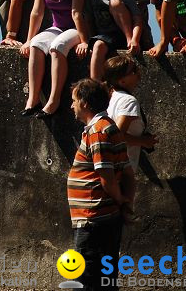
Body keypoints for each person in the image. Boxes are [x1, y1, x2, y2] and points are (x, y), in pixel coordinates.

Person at [67, 78, 136, 291]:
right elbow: (127, 172)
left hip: (94, 217)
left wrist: (120, 200)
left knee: (87, 279)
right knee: (104, 280)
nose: (72, 106)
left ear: (85, 103)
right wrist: (124, 205)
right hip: (102, 217)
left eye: (74, 100)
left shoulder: (99, 131)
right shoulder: (107, 128)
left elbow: (106, 175)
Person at [19, 0, 90, 118]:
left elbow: (77, 13)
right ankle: (33, 99)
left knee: (58, 47)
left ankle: (54, 100)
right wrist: (29, 40)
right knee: (36, 44)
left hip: (75, 28)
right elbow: (37, 12)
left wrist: (84, 40)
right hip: (57, 26)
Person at [84, 0, 143, 82]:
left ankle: (127, 40)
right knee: (98, 45)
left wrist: (134, 39)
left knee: (115, 2)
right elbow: (87, 19)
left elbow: (138, 18)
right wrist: (88, 41)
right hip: (102, 36)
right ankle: (95, 86)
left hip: (121, 35)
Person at [103, 55, 159, 171]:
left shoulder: (113, 97)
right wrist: (144, 141)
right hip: (119, 169)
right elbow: (117, 136)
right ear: (122, 81)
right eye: (133, 70)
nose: (138, 72)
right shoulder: (128, 101)